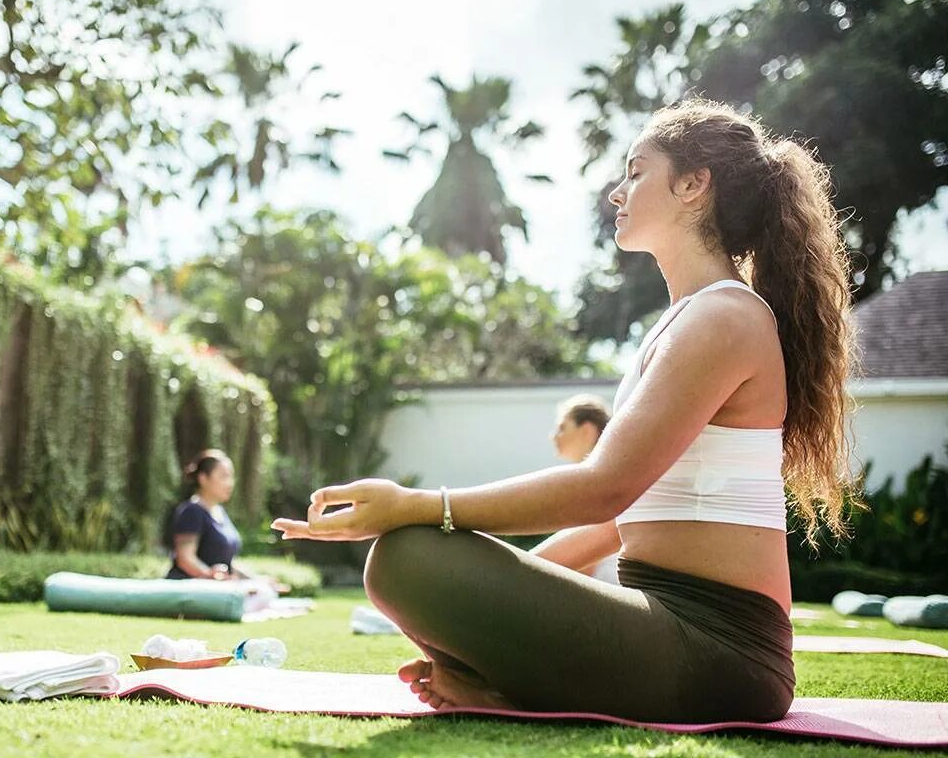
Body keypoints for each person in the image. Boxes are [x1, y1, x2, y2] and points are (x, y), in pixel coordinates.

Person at [272, 98, 856, 723]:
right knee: (416, 557)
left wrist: (417, 507)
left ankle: (501, 684)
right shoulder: (689, 321)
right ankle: (498, 685)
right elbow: (619, 522)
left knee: (406, 556)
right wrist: (505, 580)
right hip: (663, 624)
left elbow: (603, 490)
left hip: (724, 650)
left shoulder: (725, 317)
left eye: (636, 171)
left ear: (693, 184)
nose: (617, 191)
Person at [165, 449, 290, 593]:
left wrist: (256, 580)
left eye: (231, 477)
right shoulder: (192, 511)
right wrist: (209, 574)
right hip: (190, 590)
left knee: (265, 591)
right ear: (203, 478)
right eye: (223, 476)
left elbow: (228, 563)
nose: (230, 483)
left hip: (217, 589)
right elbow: (185, 558)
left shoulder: (220, 512)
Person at [534, 395, 619, 585]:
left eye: (562, 427)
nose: (554, 436)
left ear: (587, 431)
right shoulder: (600, 481)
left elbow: (583, 567)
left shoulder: (597, 486)